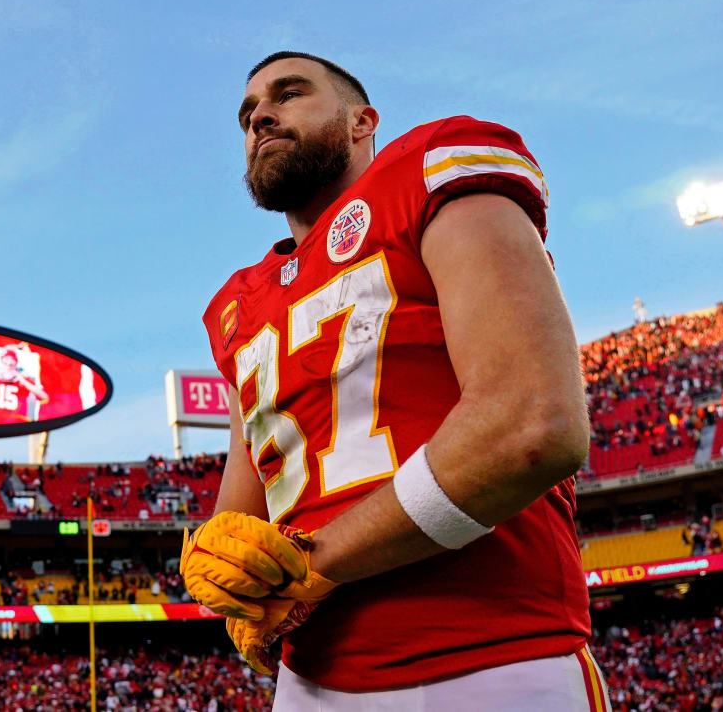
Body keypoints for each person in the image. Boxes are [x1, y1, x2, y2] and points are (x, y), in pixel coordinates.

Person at [179, 52, 603, 710]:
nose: (260, 114)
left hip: (492, 654)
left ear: (361, 121)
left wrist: (313, 567)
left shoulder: (430, 166)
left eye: (288, 94)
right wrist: (225, 564)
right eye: (247, 113)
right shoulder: (235, 306)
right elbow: (245, 508)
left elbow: (531, 427)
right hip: (308, 680)